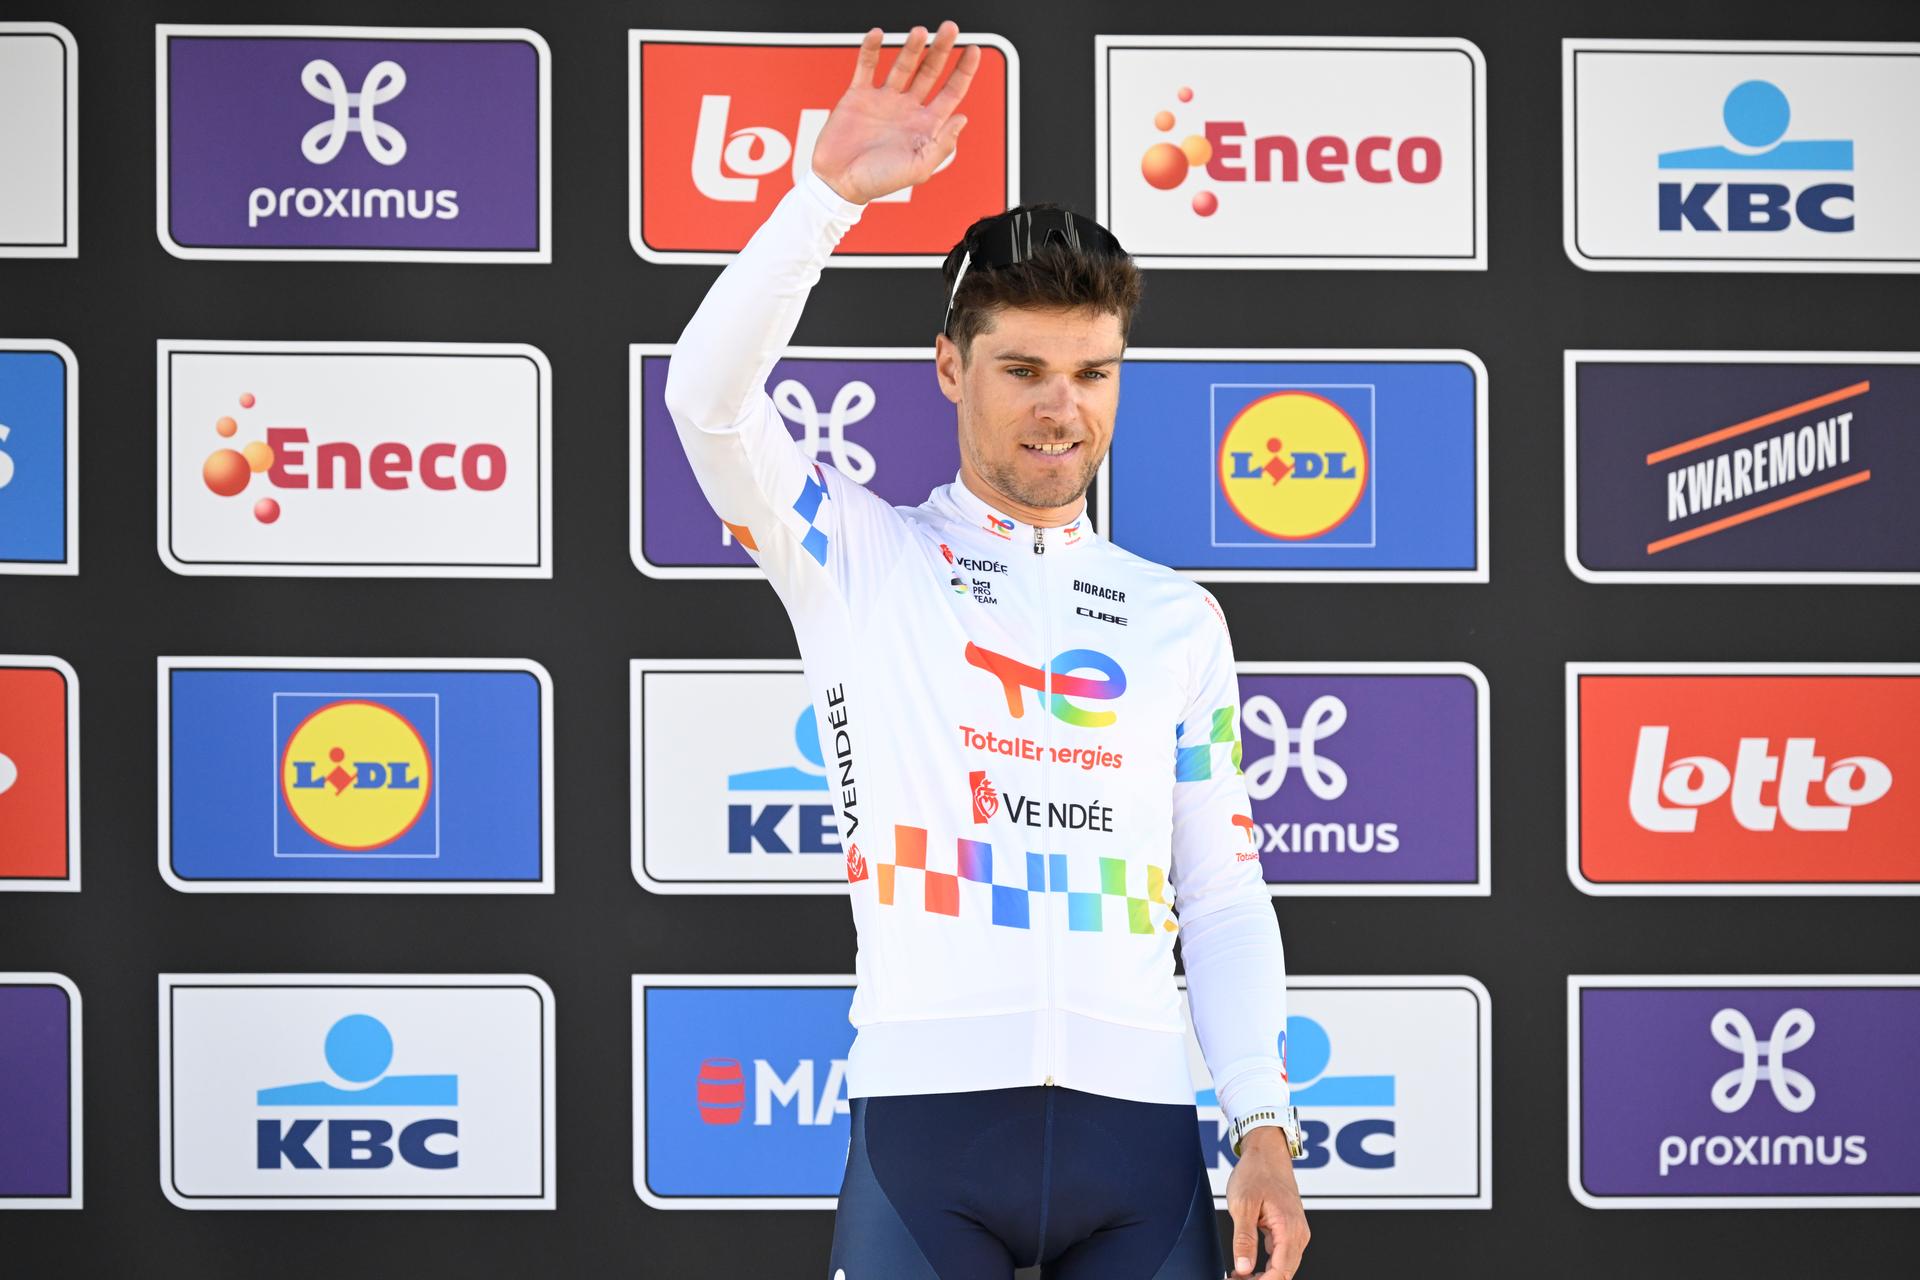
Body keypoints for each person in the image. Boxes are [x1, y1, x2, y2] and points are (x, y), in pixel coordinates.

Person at [665, 21, 1308, 1279]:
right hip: (929, 1141)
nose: (1062, 405)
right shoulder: (858, 555)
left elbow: (1223, 896)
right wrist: (819, 199)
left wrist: (1264, 1121)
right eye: (1022, 368)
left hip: (1145, 1153)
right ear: (950, 366)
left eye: (1092, 371)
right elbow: (705, 402)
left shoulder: (1178, 617)